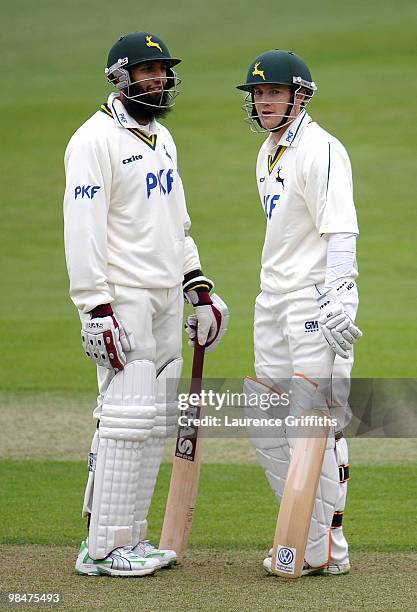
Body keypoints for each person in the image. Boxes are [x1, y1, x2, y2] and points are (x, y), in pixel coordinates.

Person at [63, 31, 228, 577]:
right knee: (126, 418)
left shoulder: (163, 139)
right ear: (120, 77)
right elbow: (82, 228)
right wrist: (95, 306)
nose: (157, 80)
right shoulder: (94, 140)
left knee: (152, 422)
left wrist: (196, 285)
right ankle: (101, 549)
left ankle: (130, 540)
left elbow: (177, 223)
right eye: (146, 72)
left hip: (162, 297)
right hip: (124, 295)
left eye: (162, 72)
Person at [237, 50, 362, 575]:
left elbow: (340, 229)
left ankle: (327, 549)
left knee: (314, 424)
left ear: (299, 95)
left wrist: (338, 297)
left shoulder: (321, 149)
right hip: (272, 300)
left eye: (272, 92)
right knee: (268, 421)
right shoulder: (268, 153)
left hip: (313, 301)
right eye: (257, 93)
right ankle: (301, 538)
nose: (263, 101)